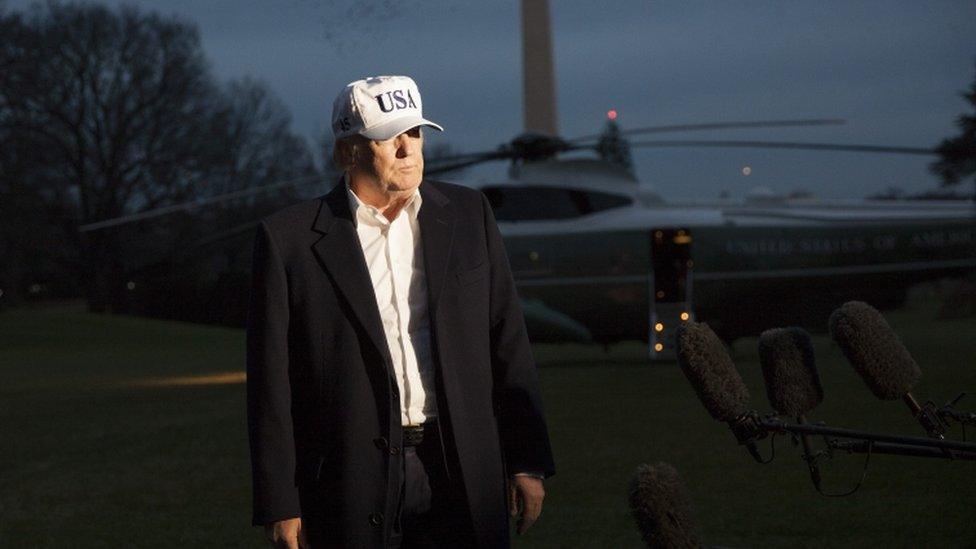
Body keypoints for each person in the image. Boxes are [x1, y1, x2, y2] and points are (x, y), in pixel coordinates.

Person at [246, 75, 555, 548]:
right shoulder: (288, 240)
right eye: (389, 137)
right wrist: (280, 501)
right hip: (347, 478)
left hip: (461, 465)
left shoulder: (470, 216)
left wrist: (526, 460)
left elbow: (507, 340)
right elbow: (272, 382)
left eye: (415, 132)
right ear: (349, 150)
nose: (408, 148)